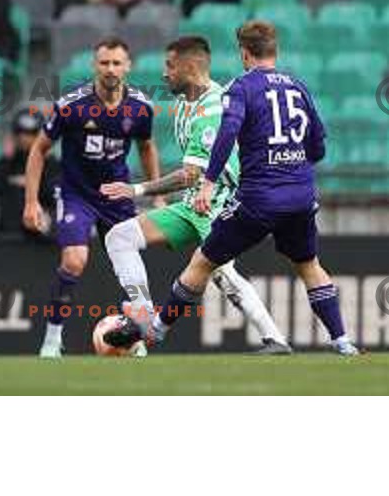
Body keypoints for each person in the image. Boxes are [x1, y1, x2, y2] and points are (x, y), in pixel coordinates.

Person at [148, 21, 359, 355]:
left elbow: (227, 133)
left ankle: (156, 331)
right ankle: (343, 342)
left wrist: (208, 183)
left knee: (203, 262)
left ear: (244, 53)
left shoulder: (240, 88)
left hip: (258, 199)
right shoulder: (298, 87)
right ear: (274, 51)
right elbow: (319, 147)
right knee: (309, 265)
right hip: (302, 197)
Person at [100, 36, 290, 354]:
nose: (165, 74)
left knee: (222, 274)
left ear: (190, 66)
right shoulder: (186, 104)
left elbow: (193, 173)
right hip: (193, 203)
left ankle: (275, 340)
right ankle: (144, 315)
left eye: (170, 66)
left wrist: (138, 189)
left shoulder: (215, 106)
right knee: (119, 237)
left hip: (219, 202)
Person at [23, 37, 161, 359]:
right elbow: (38, 149)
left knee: (130, 270)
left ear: (128, 66)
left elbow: (146, 147)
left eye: (116, 63)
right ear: (94, 66)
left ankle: (137, 336)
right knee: (74, 260)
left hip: (116, 196)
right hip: (76, 194)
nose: (110, 69)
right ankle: (52, 340)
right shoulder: (71, 105)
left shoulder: (140, 108)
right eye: (104, 63)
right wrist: (31, 201)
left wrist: (155, 193)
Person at [0, 109, 59, 238]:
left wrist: (31, 184)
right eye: (20, 133)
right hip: (9, 236)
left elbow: (56, 196)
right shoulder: (9, 163)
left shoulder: (51, 164)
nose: (25, 138)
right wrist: (6, 159)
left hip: (41, 239)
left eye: (31, 134)